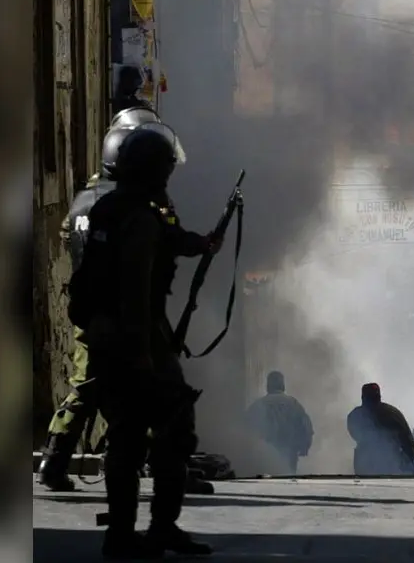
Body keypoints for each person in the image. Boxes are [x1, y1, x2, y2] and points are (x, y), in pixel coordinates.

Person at [37, 110, 213, 494]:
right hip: (132, 316)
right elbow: (150, 255)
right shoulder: (135, 207)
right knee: (153, 395)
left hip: (95, 312)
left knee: (89, 385)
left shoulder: (89, 201)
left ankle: (56, 458)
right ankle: (163, 471)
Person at [77, 122, 212, 558]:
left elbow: (169, 240)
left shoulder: (114, 207)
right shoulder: (140, 217)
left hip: (109, 337)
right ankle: (155, 529)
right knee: (169, 429)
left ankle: (123, 533)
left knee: (127, 435)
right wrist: (142, 357)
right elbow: (134, 289)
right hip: (135, 339)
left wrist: (200, 244)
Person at [244, 371, 314, 475]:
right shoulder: (293, 404)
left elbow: (247, 429)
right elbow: (306, 427)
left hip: (265, 454)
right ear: (283, 385)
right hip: (289, 452)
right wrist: (304, 447)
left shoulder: (258, 405)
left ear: (268, 385)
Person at [346, 383, 414, 475]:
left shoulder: (355, 414)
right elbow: (407, 439)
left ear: (363, 397)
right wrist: (408, 459)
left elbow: (354, 433)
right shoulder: (393, 413)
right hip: (391, 461)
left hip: (364, 461)